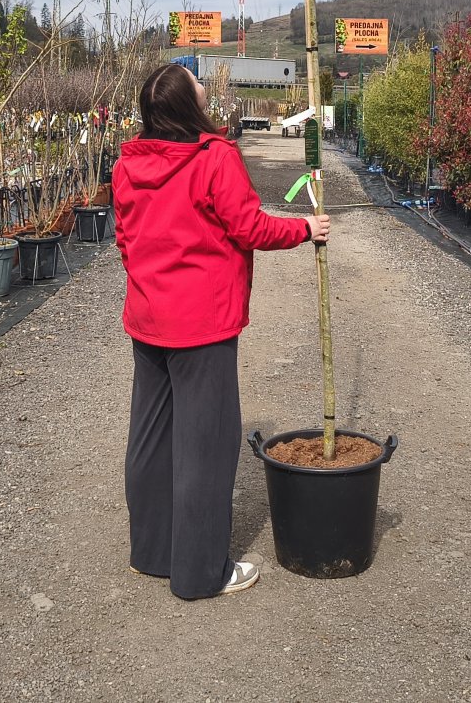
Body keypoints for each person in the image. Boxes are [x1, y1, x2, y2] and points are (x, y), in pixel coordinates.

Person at [112, 63, 330, 599]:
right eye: (197, 85)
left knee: (151, 437)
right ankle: (199, 573)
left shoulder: (127, 163)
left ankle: (152, 552)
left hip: (148, 316)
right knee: (205, 448)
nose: (204, 87)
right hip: (202, 323)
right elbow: (248, 226)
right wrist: (305, 228)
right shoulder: (214, 157)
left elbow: (124, 236)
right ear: (189, 105)